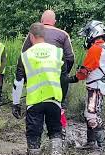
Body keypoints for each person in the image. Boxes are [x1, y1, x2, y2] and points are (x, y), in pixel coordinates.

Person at [12, 23, 64, 155]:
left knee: (34, 134)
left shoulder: (26, 55)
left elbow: (18, 81)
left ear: (31, 36)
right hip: (54, 98)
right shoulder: (57, 52)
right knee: (55, 131)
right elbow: (63, 76)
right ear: (44, 35)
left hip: (34, 100)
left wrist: (15, 103)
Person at [18, 10, 74, 139]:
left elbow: (23, 57)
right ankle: (59, 136)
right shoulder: (63, 34)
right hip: (56, 80)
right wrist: (62, 73)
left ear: (41, 20)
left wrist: (27, 78)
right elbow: (70, 58)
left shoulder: (33, 33)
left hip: (36, 84)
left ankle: (36, 143)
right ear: (54, 22)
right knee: (57, 107)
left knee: (35, 116)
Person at [67, 20, 105, 155]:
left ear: (94, 32)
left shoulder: (96, 49)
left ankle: (102, 149)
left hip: (96, 87)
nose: (87, 36)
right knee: (89, 113)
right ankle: (91, 142)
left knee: (92, 115)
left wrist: (70, 79)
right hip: (98, 86)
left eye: (88, 33)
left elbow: (84, 71)